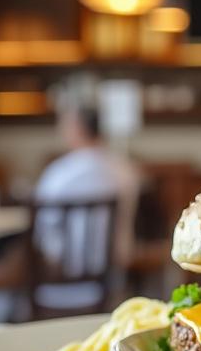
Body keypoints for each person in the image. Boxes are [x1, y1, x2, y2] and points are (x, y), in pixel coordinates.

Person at [34, 107, 140, 275]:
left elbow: (41, 224)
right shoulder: (125, 170)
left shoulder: (59, 174)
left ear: (75, 129)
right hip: (114, 275)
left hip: (61, 275)